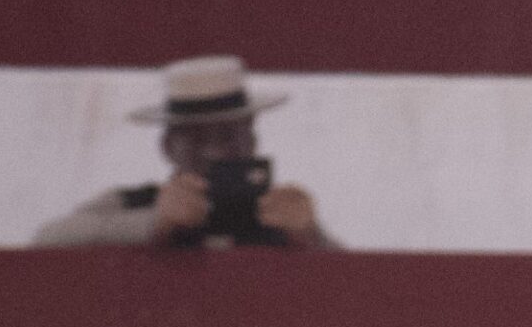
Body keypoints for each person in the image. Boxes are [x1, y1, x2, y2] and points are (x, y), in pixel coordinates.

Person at [33, 55, 335, 250]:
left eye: (229, 136)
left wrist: (309, 235)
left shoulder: (279, 214)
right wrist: (155, 223)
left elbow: (353, 286)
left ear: (251, 140)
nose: (216, 151)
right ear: (168, 146)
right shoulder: (135, 204)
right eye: (198, 138)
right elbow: (46, 241)